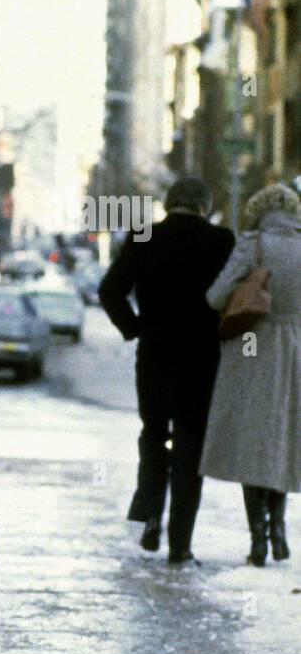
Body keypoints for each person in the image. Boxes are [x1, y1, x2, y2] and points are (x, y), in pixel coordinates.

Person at [98, 177, 234, 566]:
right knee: (191, 444)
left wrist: (135, 328)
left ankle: (151, 515)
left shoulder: (143, 236)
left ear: (169, 204)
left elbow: (110, 290)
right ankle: (180, 544)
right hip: (203, 357)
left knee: (154, 434)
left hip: (155, 353)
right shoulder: (221, 240)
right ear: (204, 205)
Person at [201, 183, 301, 566]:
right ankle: (279, 528)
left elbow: (215, 296)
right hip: (295, 350)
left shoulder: (252, 244)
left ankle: (257, 538)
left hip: (252, 344)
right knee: (283, 439)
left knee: (252, 441)